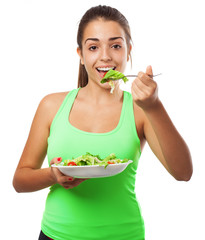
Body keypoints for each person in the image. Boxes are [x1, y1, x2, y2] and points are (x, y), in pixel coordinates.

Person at [12, 5, 193, 240]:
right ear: (81, 55)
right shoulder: (51, 105)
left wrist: (154, 106)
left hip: (124, 234)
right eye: (94, 47)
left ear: (129, 52)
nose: (105, 56)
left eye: (116, 45)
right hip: (56, 234)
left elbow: (183, 172)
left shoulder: (140, 109)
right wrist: (53, 175)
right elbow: (20, 180)